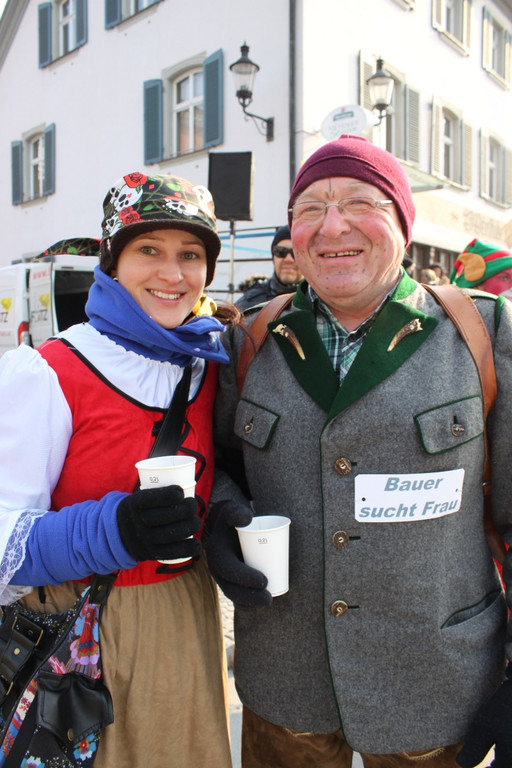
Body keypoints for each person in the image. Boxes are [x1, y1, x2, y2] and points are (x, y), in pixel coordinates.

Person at [207, 135, 512, 768]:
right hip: (285, 683)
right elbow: (220, 471)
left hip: (434, 685)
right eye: (310, 208)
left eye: (358, 202)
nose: (332, 224)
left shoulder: (484, 334)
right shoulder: (250, 340)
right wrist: (220, 518)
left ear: (402, 221)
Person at [0, 171, 237, 767]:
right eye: (148, 250)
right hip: (84, 631)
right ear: (112, 261)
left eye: (191, 254)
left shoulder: (207, 365)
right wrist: (114, 531)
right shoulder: (49, 372)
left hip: (187, 617)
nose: (172, 273)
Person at [235, 225, 302, 311]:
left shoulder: (320, 302)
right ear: (273, 257)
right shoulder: (248, 303)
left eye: (296, 252)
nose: (288, 259)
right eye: (280, 251)